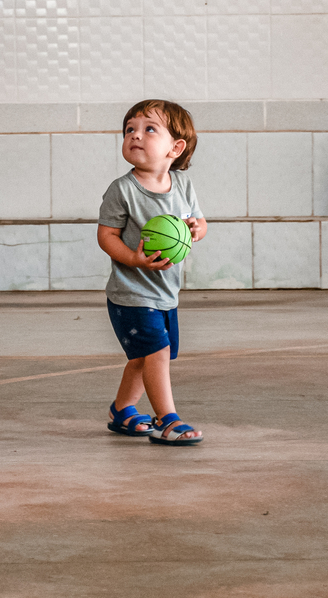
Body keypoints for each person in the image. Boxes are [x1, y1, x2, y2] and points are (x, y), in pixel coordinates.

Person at [98, 100, 206, 445]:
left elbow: (199, 223)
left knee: (143, 358)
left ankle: (122, 410)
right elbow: (106, 236)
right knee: (156, 353)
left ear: (175, 148)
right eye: (129, 129)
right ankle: (167, 420)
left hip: (166, 291)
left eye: (149, 129)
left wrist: (196, 229)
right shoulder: (123, 190)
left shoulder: (182, 185)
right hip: (131, 292)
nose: (135, 135)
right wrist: (134, 258)